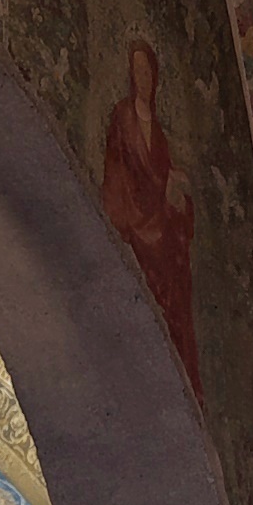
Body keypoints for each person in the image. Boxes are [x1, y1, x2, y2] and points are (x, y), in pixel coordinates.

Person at [100, 41, 200, 390]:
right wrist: (163, 187)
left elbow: (161, 169)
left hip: (161, 225)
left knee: (174, 295)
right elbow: (120, 172)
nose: (144, 77)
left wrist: (177, 187)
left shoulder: (157, 128)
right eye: (138, 70)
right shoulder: (123, 116)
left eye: (148, 71)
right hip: (138, 218)